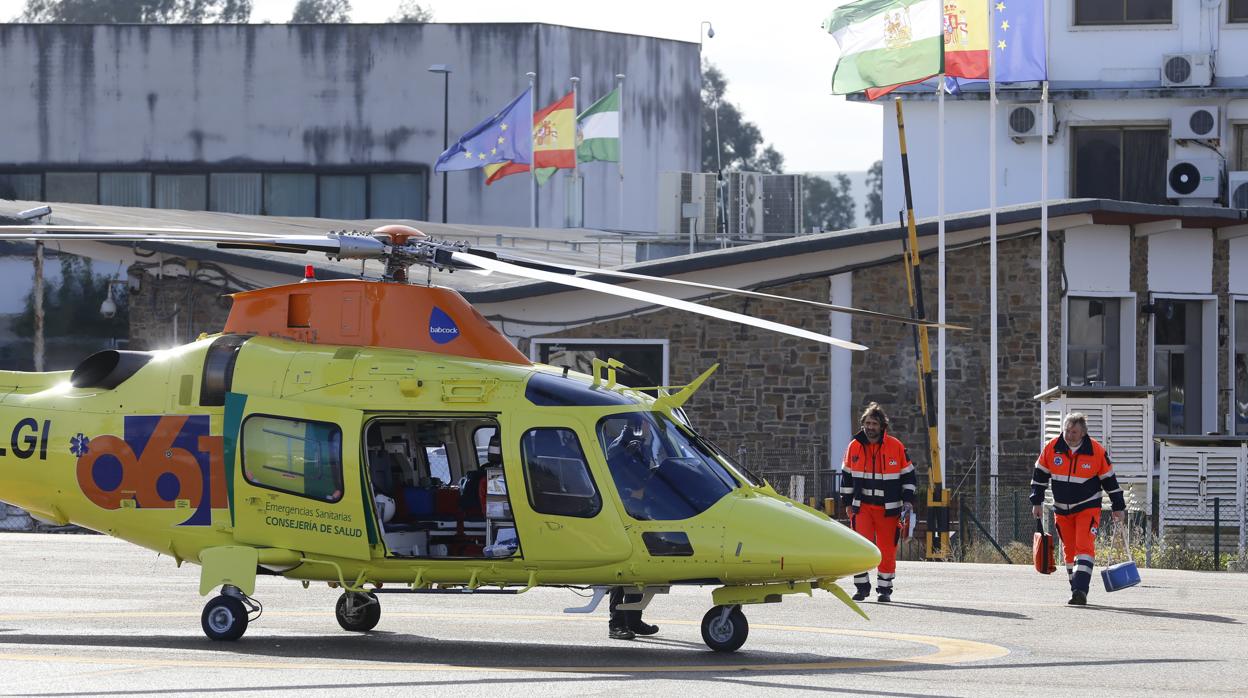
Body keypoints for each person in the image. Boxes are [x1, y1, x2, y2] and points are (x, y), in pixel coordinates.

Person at [1031, 412, 1125, 606]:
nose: (1069, 435)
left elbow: (1110, 481)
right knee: (1069, 550)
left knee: (1084, 547)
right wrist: (1037, 502)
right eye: (1066, 431)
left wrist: (1118, 507)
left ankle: (1081, 590)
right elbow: (1039, 477)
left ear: (1083, 433)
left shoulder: (1096, 451)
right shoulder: (1052, 448)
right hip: (1061, 509)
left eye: (1074, 432)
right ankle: (1075, 588)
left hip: (1087, 507)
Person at [839, 402, 916, 602]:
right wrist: (847, 503)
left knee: (887, 550)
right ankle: (861, 587)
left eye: (874, 423)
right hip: (861, 508)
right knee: (859, 548)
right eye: (867, 423)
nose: (870, 427)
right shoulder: (853, 446)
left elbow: (909, 478)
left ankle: (884, 589)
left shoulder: (896, 447)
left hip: (889, 510)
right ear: (863, 424)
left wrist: (907, 502)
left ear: (882, 426)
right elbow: (846, 478)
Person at [605, 415, 660, 640]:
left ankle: (633, 619)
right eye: (646, 424)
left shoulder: (637, 445)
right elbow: (611, 477)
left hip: (637, 512)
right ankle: (616, 624)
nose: (648, 428)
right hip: (624, 512)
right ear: (640, 425)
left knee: (639, 569)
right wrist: (631, 494)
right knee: (623, 572)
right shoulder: (622, 446)